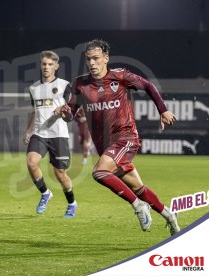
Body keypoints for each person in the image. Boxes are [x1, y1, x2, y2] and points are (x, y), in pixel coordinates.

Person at [60, 39, 180, 235]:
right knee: (139, 187)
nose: (92, 63)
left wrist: (163, 110)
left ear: (106, 58)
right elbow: (70, 115)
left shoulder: (120, 76)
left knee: (99, 173)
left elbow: (148, 85)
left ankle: (139, 206)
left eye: (96, 58)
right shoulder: (80, 84)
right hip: (105, 146)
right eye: (88, 59)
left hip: (126, 137)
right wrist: (64, 112)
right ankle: (169, 216)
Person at [24, 50, 77, 218]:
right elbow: (34, 111)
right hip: (40, 133)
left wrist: (63, 111)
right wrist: (28, 130)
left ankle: (71, 203)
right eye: (44, 64)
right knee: (31, 162)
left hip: (58, 135)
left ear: (56, 66)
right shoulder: (33, 88)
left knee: (60, 173)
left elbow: (70, 114)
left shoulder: (64, 85)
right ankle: (45, 193)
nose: (46, 67)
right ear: (41, 65)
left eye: (49, 64)